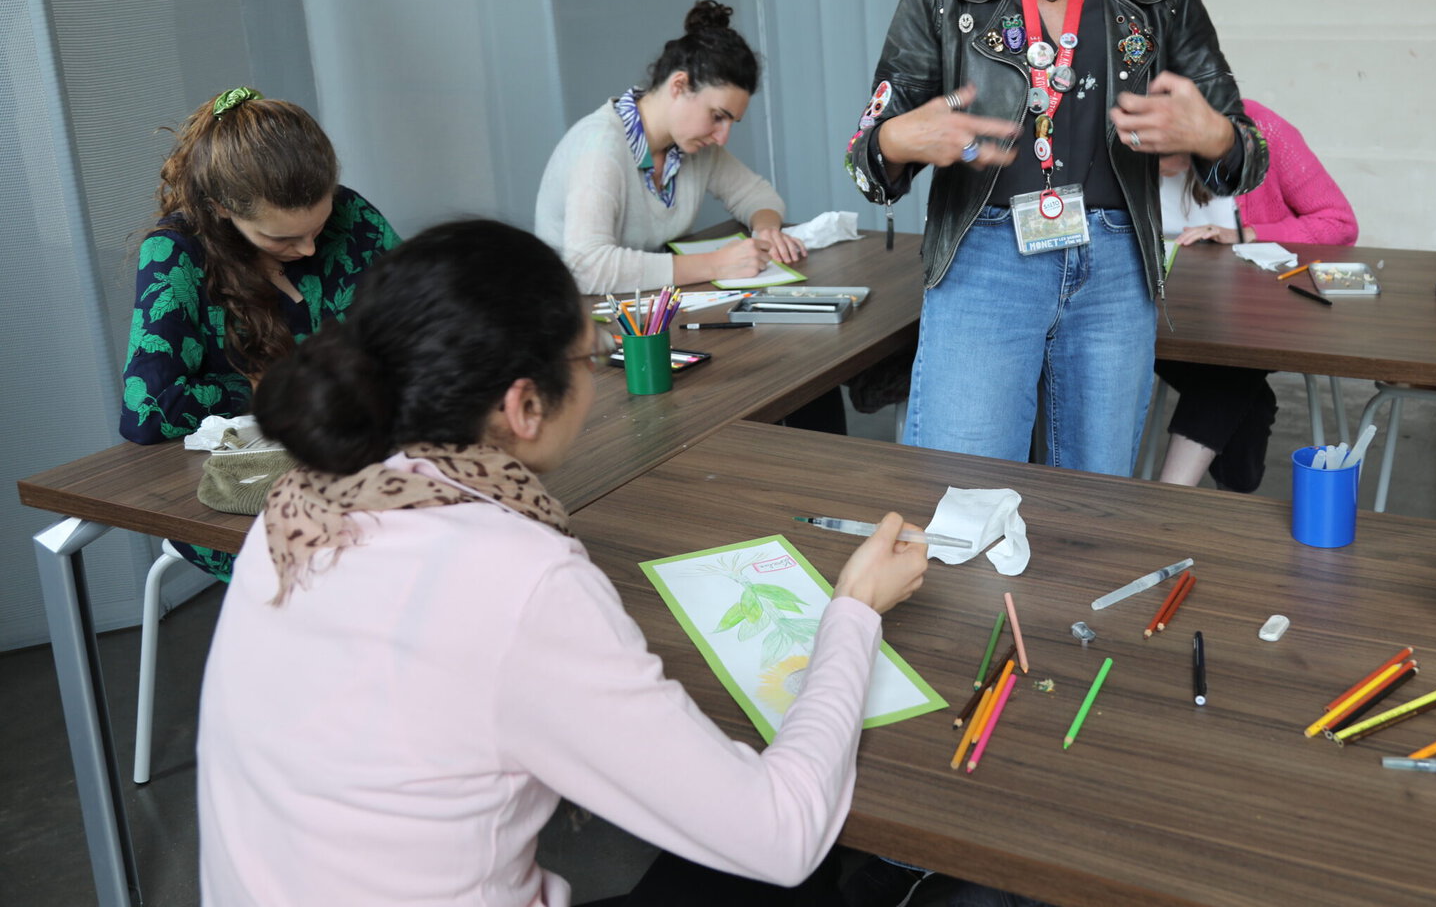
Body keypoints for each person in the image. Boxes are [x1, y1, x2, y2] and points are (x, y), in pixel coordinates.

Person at [197, 219, 930, 906]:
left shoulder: (295, 499)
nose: (595, 374)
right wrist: (856, 608)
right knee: (791, 872)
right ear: (524, 407)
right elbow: (783, 834)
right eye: (588, 358)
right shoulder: (516, 576)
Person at [843, 0, 1267, 476]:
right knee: (960, 499)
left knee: (1093, 511)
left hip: (1115, 271)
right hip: (983, 259)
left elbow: (1246, 157)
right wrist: (900, 138)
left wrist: (1213, 133)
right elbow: (866, 166)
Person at [118, 87, 398, 580]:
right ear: (223, 208)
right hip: (247, 493)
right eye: (282, 238)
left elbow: (423, 317)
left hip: (369, 459)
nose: (310, 249)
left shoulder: (353, 218)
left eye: (319, 223)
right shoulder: (176, 255)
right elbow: (148, 410)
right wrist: (265, 385)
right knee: (383, 567)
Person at [1155, 99, 1358, 492]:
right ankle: (1224, 502)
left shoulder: (1262, 132)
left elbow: (1339, 223)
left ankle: (1168, 496)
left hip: (1249, 317)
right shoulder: (1121, 139)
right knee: (1246, 396)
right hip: (1155, 317)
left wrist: (1248, 234)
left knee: (1230, 366)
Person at [536, 0, 805, 294]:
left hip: (644, 307)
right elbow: (587, 267)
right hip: (577, 320)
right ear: (678, 85)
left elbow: (758, 195)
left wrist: (766, 228)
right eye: (717, 117)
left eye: (731, 123)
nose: (722, 137)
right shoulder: (600, 147)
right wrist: (715, 264)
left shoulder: (692, 147)